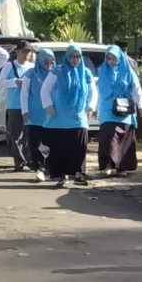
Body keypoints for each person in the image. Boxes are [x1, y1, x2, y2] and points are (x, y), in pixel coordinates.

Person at [40, 44, 98, 188]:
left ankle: (78, 174)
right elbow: (45, 89)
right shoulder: (57, 71)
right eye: (72, 56)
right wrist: (48, 106)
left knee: (79, 147)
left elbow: (93, 91)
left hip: (78, 117)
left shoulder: (85, 73)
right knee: (61, 148)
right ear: (67, 57)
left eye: (77, 56)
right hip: (59, 117)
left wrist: (91, 105)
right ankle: (63, 175)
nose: (75, 59)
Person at [97, 44, 142, 177]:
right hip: (108, 108)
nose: (112, 61)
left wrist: (141, 106)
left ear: (120, 58)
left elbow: (136, 89)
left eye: (114, 58)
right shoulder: (102, 71)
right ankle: (107, 165)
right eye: (109, 58)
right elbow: (99, 93)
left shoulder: (128, 71)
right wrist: (97, 109)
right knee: (108, 137)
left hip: (125, 109)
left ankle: (121, 167)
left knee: (124, 140)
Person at [0, 41, 34, 171]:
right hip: (14, 105)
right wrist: (15, 82)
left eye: (28, 52)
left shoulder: (32, 67)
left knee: (28, 134)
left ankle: (29, 159)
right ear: (17, 52)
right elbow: (0, 82)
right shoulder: (9, 66)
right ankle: (19, 162)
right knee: (16, 135)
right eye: (23, 51)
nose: (26, 54)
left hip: (29, 105)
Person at [21, 49, 56, 182]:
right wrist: (24, 111)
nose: (49, 64)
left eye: (51, 61)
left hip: (52, 116)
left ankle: (51, 169)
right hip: (34, 115)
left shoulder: (56, 73)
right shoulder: (31, 74)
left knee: (51, 144)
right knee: (35, 144)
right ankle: (39, 169)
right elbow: (24, 94)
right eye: (45, 61)